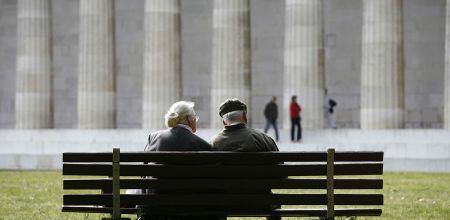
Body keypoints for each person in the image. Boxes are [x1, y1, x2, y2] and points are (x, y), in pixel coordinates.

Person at [139, 101, 220, 220]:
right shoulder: (202, 145)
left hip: (156, 207)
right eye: (195, 118)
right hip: (190, 209)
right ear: (188, 119)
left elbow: (144, 173)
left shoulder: (154, 138)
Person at [210, 98, 280, 220]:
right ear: (245, 117)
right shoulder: (263, 139)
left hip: (224, 203)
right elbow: (281, 174)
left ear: (224, 122)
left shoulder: (213, 144)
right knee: (271, 200)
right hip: (262, 201)